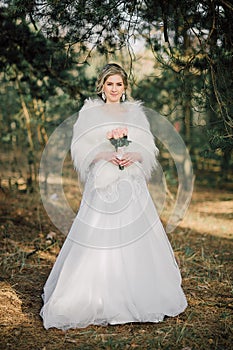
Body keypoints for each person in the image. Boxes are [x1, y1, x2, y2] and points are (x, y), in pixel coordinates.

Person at [40, 63, 187, 330]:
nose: (114, 89)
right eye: (110, 84)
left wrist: (134, 155)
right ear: (102, 86)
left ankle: (140, 291)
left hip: (131, 181)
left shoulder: (135, 113)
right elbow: (80, 148)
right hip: (103, 181)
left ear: (125, 87)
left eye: (119, 84)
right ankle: (97, 295)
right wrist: (105, 154)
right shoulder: (90, 113)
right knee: (98, 232)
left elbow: (148, 148)